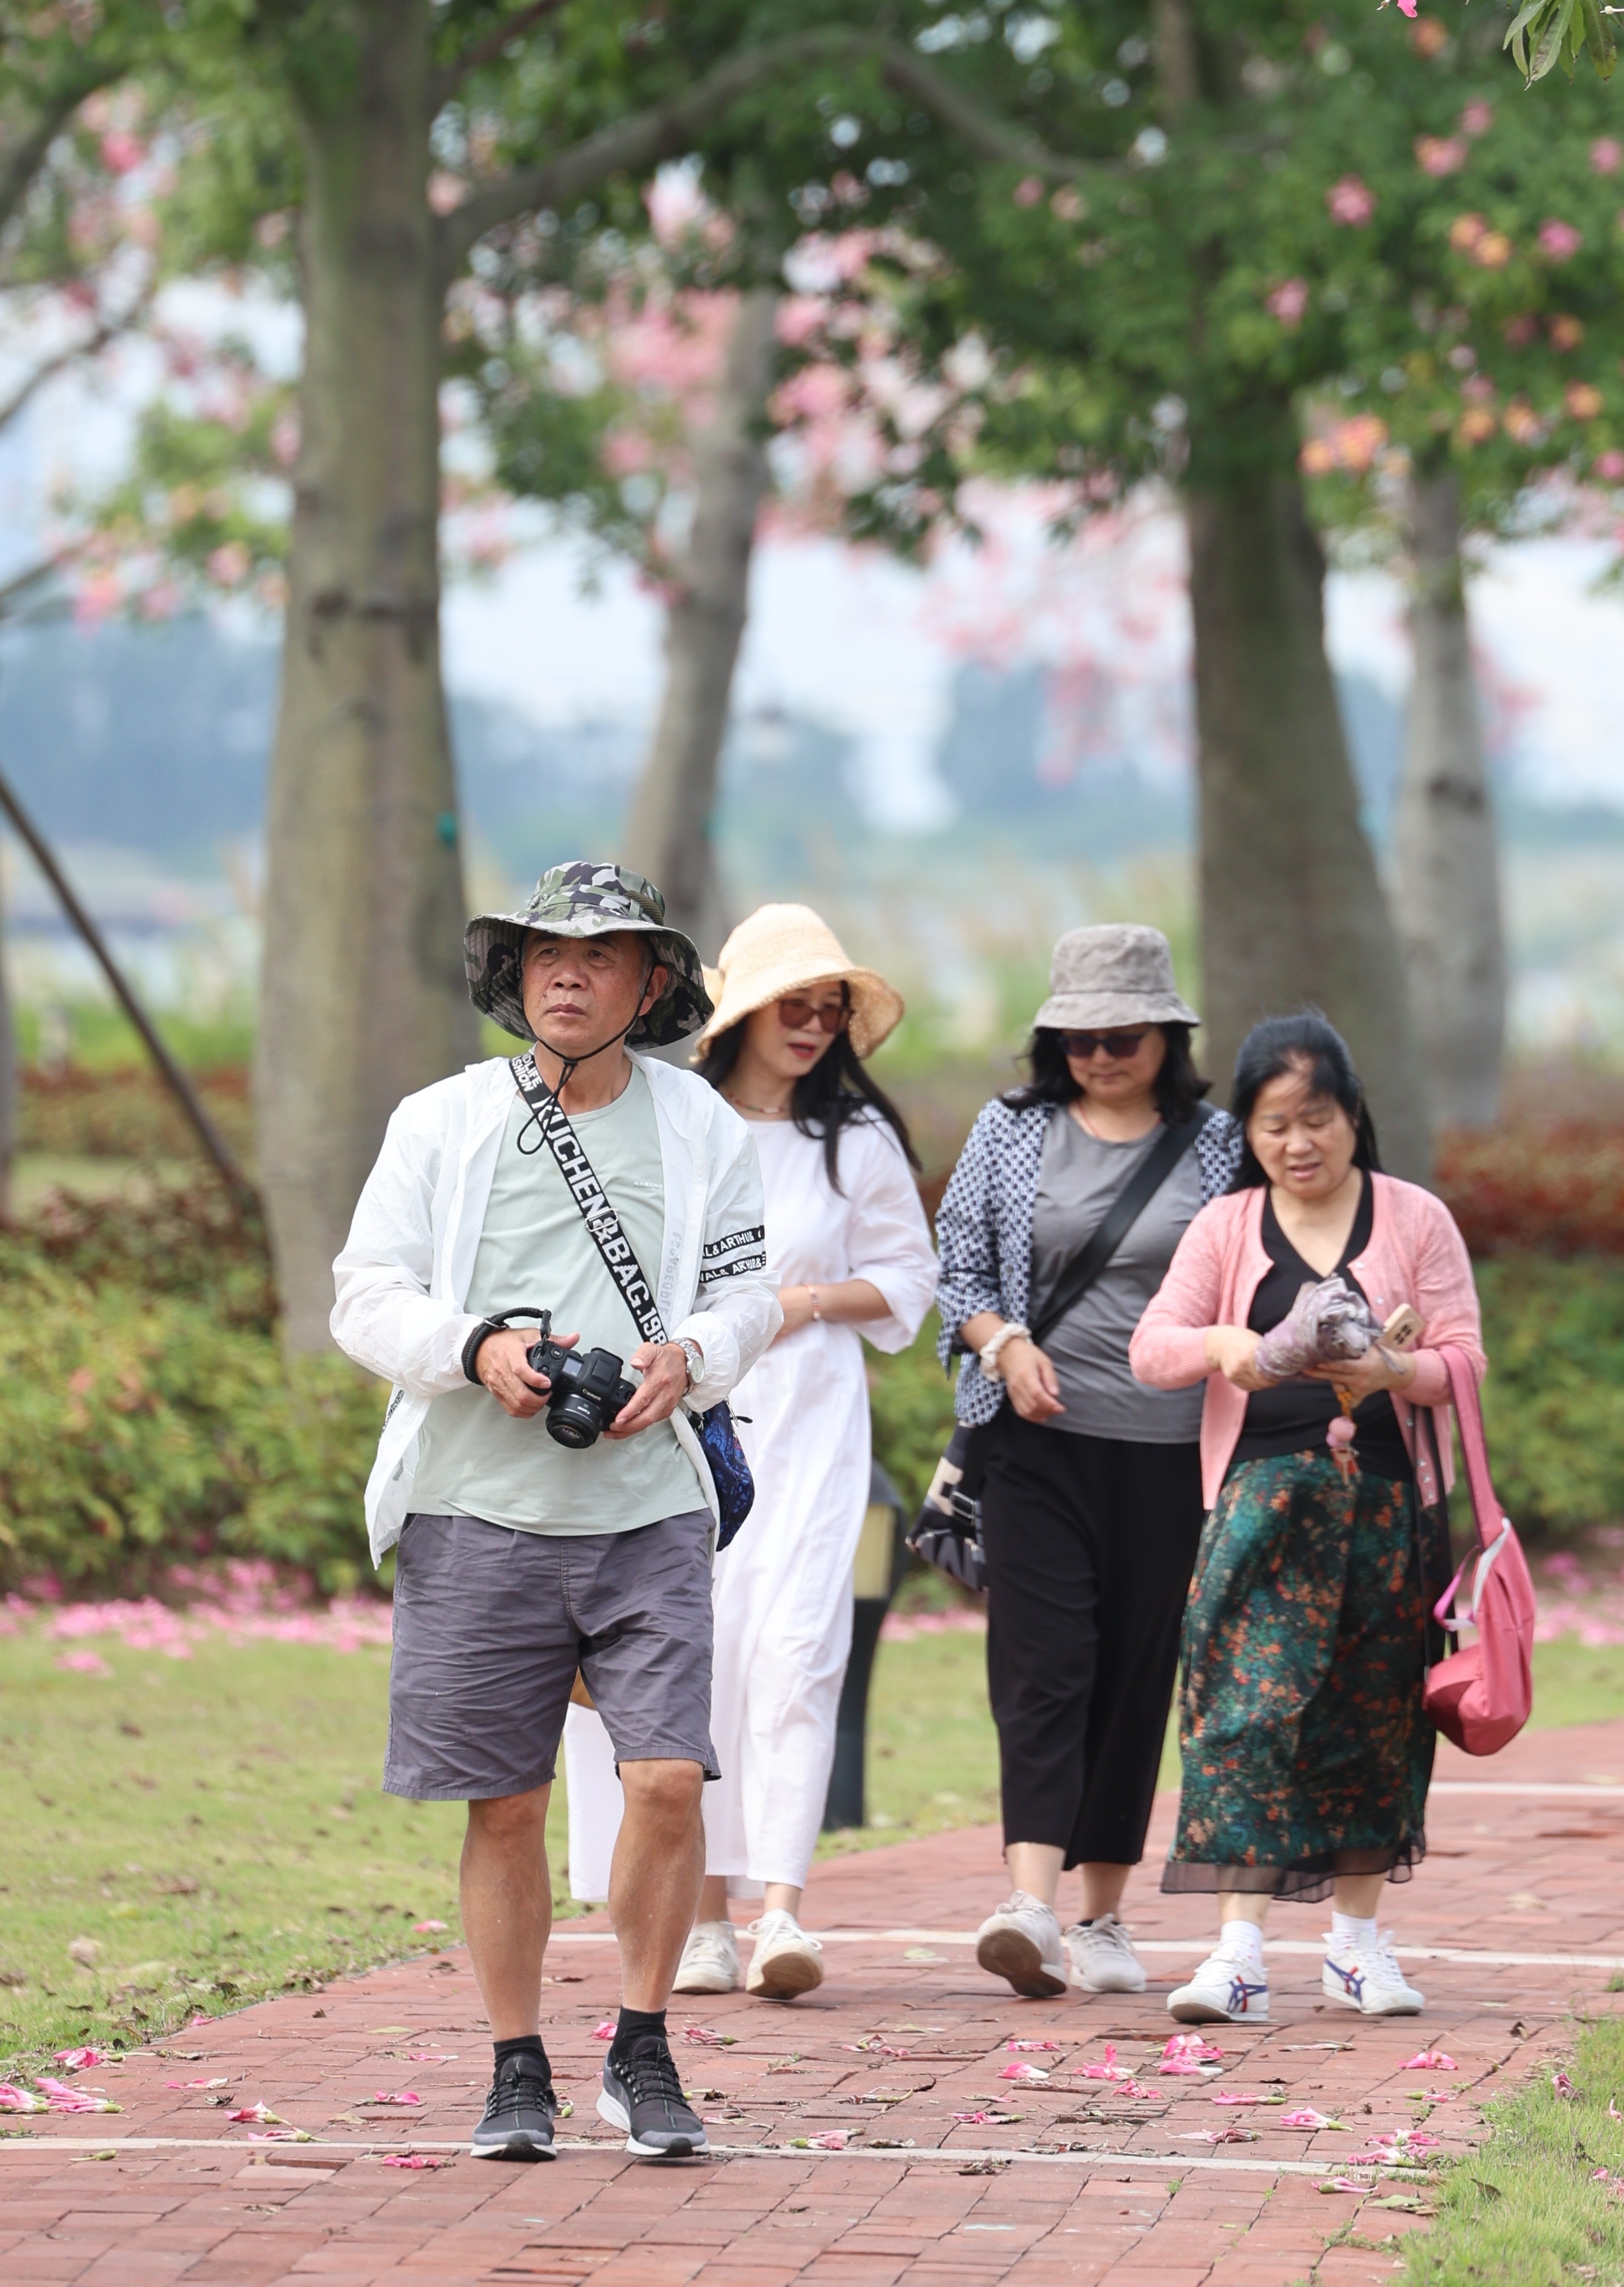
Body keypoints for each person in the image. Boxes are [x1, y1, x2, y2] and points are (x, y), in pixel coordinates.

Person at [329, 859, 781, 2167]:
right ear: (512, 978)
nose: (567, 976)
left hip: (650, 1510)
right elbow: (365, 1293)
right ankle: (514, 2066)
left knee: (663, 1781)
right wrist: (473, 1348)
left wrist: (683, 1359)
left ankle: (640, 2049)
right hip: (477, 1504)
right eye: (543, 957)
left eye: (597, 957)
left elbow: (750, 1295)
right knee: (505, 1802)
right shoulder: (442, 1121)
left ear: (651, 983)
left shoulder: (702, 1126)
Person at [561, 902, 937, 2003]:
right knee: (688, 1654)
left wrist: (795, 1304)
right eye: (793, 1007)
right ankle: (703, 1911)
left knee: (797, 1651)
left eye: (829, 1010)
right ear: (742, 1015)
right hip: (677, 1419)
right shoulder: (675, 1122)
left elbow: (909, 1286)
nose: (813, 1027)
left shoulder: (854, 1143)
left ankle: (782, 1909)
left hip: (815, 1422)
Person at [1131, 1006, 1484, 2027]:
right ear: (1247, 1130)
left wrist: (1394, 1369)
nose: (1298, 1143)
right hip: (1258, 1508)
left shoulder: (1415, 1218)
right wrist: (1224, 1347)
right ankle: (1236, 1956)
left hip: (1386, 1512)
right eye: (1275, 1124)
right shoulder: (1227, 1226)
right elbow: (1153, 1349)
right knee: (1241, 1719)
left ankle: (1357, 1948)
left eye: (1317, 1118)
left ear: (1354, 1115)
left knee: (1371, 1722)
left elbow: (1464, 1358)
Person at [933, 922, 1242, 2003]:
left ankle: (1104, 1917)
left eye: (1123, 1038)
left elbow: (1257, 1278)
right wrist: (1003, 1343)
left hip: (1171, 1454)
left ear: (1166, 1037)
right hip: (1034, 1447)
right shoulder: (1011, 1130)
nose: (1100, 1057)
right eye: (1078, 1040)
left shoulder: (1219, 1147)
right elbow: (958, 1266)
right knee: (1042, 1668)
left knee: (1133, 1678)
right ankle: (1030, 1902)